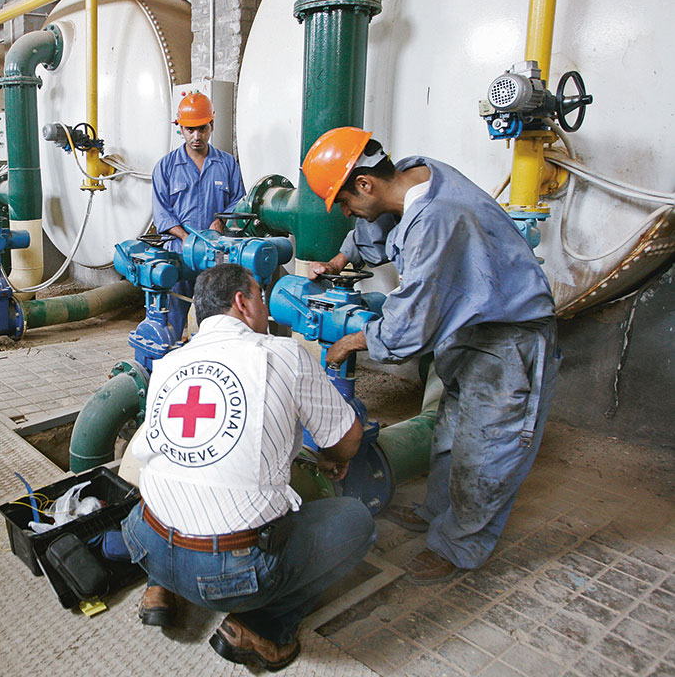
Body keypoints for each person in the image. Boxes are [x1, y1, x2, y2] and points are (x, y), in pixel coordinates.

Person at [303, 126, 560, 585]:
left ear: (364, 184)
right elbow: (375, 227)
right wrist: (339, 263)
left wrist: (349, 341)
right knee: (451, 432)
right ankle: (437, 512)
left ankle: (458, 548)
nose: (346, 212)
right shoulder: (415, 175)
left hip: (508, 338)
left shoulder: (438, 219)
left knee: (487, 449)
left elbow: (408, 328)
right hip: (469, 329)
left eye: (343, 202)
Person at [121, 263, 373, 671]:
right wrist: (332, 458)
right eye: (260, 296)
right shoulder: (283, 353)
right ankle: (263, 628)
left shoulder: (169, 362)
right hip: (227, 574)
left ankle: (160, 588)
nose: (266, 308)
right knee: (356, 521)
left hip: (145, 543)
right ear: (242, 302)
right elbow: (348, 438)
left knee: (171, 481)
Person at [151, 93, 246, 341]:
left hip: (216, 254)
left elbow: (239, 201)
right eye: (190, 129)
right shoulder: (166, 166)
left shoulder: (227, 164)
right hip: (179, 254)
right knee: (172, 317)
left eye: (202, 129)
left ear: (211, 125)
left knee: (218, 317)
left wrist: (221, 221)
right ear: (180, 129)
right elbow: (161, 212)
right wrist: (185, 239)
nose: (196, 136)